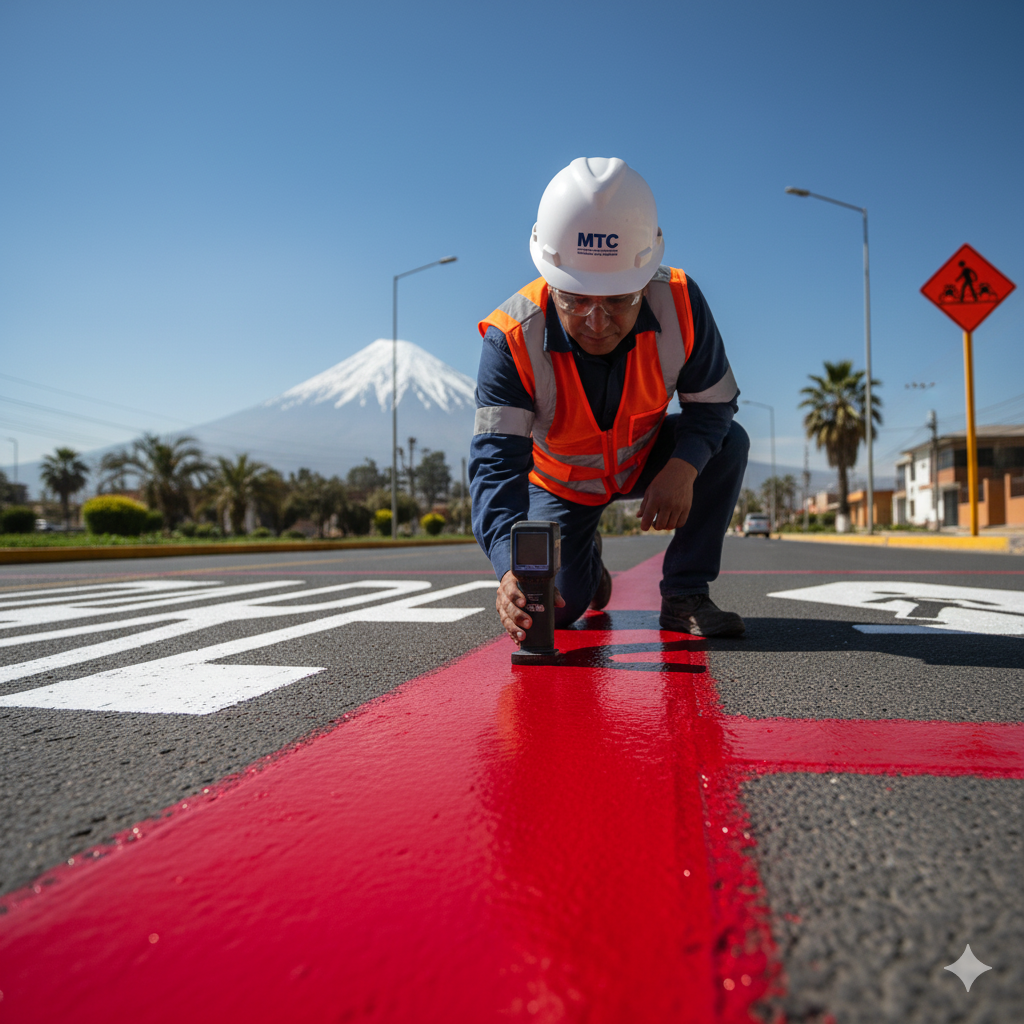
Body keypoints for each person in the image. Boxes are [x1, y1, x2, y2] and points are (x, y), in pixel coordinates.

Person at [469, 157, 748, 643]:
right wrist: (508, 569)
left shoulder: (680, 303)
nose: (597, 321)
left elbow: (714, 406)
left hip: (647, 461)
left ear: (645, 276)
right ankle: (586, 563)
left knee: (729, 443)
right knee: (553, 609)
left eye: (618, 299)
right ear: (551, 280)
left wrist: (683, 467)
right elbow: (496, 465)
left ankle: (685, 594)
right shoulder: (511, 337)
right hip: (560, 486)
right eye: (575, 299)